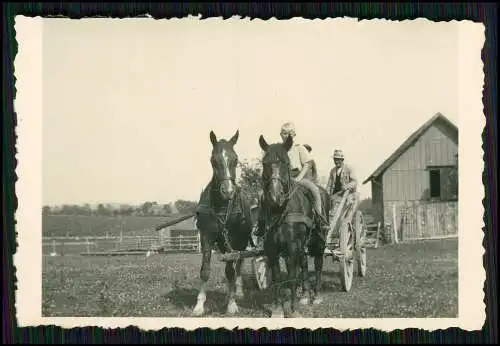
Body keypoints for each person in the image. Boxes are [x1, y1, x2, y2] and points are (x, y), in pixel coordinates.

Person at [254, 122, 330, 241]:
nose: (284, 135)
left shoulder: (299, 148)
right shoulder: (278, 148)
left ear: (293, 134)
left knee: (314, 190)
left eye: (287, 133)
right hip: (282, 178)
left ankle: (320, 219)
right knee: (263, 195)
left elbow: (308, 163)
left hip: (298, 176)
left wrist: (299, 178)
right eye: (283, 133)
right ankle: (261, 224)